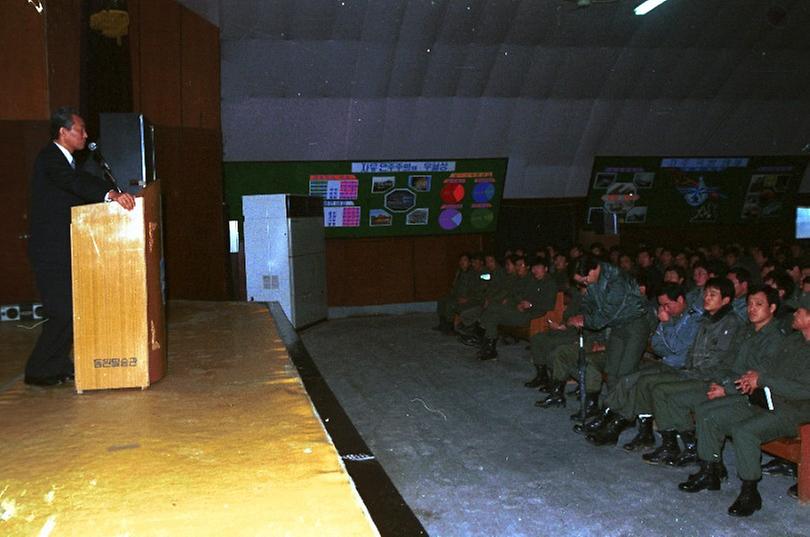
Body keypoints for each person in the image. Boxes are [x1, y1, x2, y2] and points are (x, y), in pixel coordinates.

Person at [25, 107, 135, 387]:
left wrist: (109, 194)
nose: (86, 135)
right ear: (63, 132)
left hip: (64, 248)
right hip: (50, 251)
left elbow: (78, 185)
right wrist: (109, 194)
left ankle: (56, 365)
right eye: (80, 130)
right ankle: (38, 370)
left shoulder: (69, 162)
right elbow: (72, 183)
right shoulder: (50, 158)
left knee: (70, 309)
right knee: (61, 311)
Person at [678, 294, 810, 517]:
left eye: (800, 311)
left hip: (796, 410)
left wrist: (764, 380)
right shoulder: (793, 340)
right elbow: (771, 369)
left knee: (744, 431)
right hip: (768, 398)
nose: (794, 314)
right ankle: (710, 471)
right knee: (709, 414)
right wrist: (754, 378)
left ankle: (750, 492)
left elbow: (804, 390)